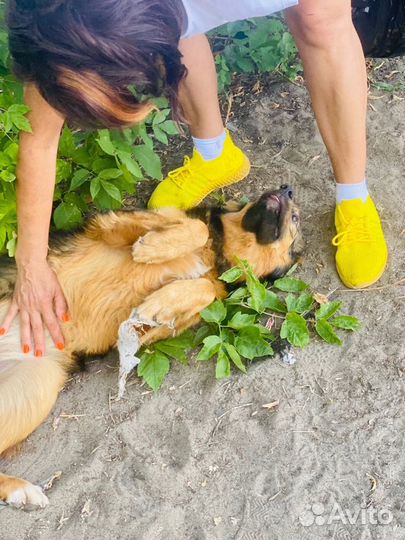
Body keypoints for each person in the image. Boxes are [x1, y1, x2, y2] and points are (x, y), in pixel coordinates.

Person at [0, 0, 387, 356]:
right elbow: (40, 138)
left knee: (320, 20)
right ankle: (215, 154)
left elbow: (332, 24)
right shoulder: (61, 18)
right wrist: (32, 264)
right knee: (183, 25)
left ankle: (353, 194)